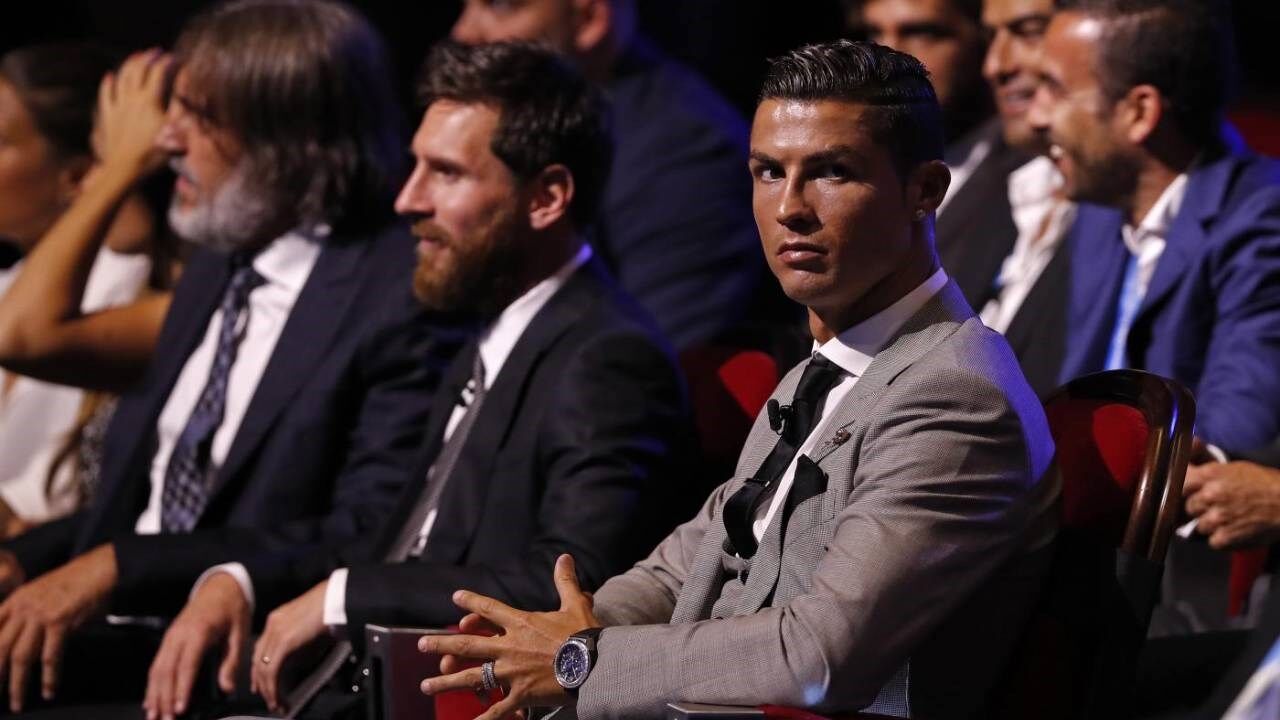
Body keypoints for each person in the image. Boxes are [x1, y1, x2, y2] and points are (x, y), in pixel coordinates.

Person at [418, 40, 1059, 719]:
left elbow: (817, 657)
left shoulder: (955, 393)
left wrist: (581, 660)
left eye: (832, 172)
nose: (790, 208)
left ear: (925, 191)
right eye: (768, 172)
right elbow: (682, 568)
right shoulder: (821, 370)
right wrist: (556, 634)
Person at [136, 40, 695, 720]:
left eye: (446, 173)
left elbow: (572, 590)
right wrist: (241, 579)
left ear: (547, 197)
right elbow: (383, 531)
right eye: (415, 166)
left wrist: (344, 597)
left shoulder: (607, 356)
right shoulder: (488, 330)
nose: (408, 199)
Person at [0, 0, 452, 711]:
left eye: (200, 116)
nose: (166, 139)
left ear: (289, 141)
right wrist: (23, 560)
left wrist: (121, 568)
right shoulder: (220, 262)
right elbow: (141, 510)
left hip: (222, 664)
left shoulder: (395, 296)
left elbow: (365, 531)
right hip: (114, 640)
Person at [1029, 0, 1280, 634]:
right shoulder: (1098, 211)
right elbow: (1069, 396)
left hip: (1180, 588)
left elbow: (1232, 429)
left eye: (1054, 89)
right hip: (1078, 553)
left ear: (1139, 112)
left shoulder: (1263, 213)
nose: (1036, 116)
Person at [449, 0, 769, 351]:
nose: (462, 33)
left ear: (588, 18)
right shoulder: (525, 132)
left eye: (499, 6)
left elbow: (645, 360)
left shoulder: (686, 152)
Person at [0, 44, 165, 534]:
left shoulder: (129, 293)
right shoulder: (8, 284)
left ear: (76, 174)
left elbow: (132, 236)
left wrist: (121, 165)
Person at [848, 0, 1029, 316]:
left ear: (984, 41)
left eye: (922, 33)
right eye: (874, 33)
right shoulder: (848, 171)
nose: (887, 59)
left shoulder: (1034, 181)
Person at [974, 0, 1075, 397]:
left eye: (1030, 31)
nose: (994, 65)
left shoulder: (1122, 209)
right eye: (991, 36)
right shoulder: (998, 183)